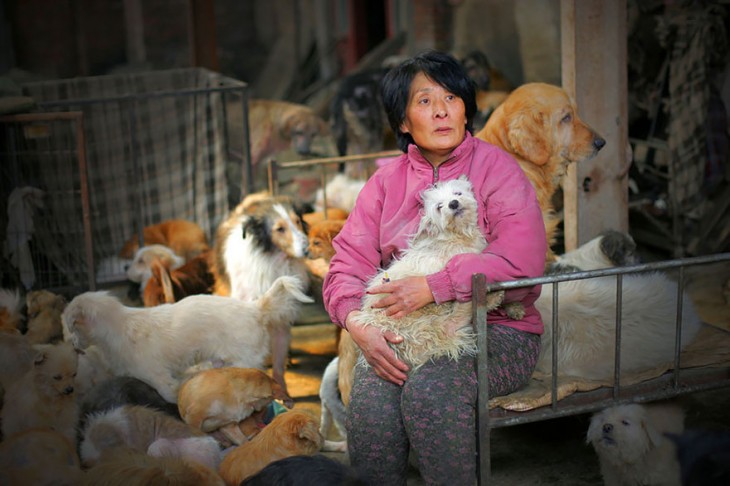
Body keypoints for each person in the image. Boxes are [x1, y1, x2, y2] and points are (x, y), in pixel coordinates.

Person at [322, 50, 547, 485]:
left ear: (467, 108)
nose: (442, 110)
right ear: (403, 121)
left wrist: (437, 285)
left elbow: (522, 265)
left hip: (494, 328)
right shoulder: (384, 182)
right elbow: (346, 264)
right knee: (370, 404)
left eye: (452, 97)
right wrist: (357, 323)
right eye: (424, 101)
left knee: (431, 392)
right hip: (405, 330)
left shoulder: (499, 171)